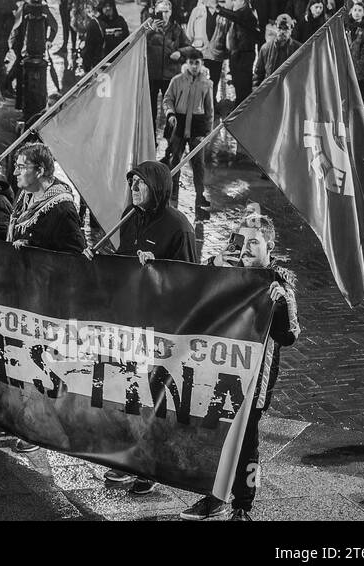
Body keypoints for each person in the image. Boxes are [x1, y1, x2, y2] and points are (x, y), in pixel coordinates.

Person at [181, 214, 300, 521]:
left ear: (269, 246)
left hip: (256, 380)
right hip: (220, 372)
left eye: (254, 242)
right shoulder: (226, 270)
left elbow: (288, 336)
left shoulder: (279, 282)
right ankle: (213, 497)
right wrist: (213, 267)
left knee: (247, 443)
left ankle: (242, 506)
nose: (246, 248)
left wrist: (282, 303)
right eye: (242, 241)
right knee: (215, 435)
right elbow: (194, 293)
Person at [98, 160, 198, 494]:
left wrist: (159, 270)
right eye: (131, 182)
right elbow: (124, 262)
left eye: (140, 183)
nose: (134, 188)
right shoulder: (129, 217)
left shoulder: (178, 227)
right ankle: (129, 459)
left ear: (156, 188)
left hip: (161, 329)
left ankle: (148, 467)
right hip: (131, 323)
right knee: (128, 393)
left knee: (153, 399)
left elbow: (188, 281)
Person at [161, 48, 215, 214]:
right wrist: (170, 114)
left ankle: (200, 196)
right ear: (187, 64)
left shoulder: (207, 84)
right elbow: (168, 99)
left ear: (201, 64)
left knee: (198, 164)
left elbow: (209, 111)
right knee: (174, 161)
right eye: (191, 63)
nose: (194, 66)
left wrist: (207, 134)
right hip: (179, 123)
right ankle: (172, 195)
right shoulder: (177, 81)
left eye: (197, 63)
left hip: (197, 126)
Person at [6, 143, 84, 253]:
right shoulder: (24, 195)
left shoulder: (62, 209)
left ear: (39, 171)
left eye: (21, 167)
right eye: (16, 166)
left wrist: (33, 247)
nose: (15, 173)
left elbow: (73, 256)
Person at [253, 15, 300, 86]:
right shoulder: (265, 48)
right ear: (275, 28)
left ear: (291, 30)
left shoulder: (298, 49)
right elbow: (258, 74)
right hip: (271, 90)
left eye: (286, 29)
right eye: (279, 28)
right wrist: (256, 91)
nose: (282, 32)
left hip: (290, 90)